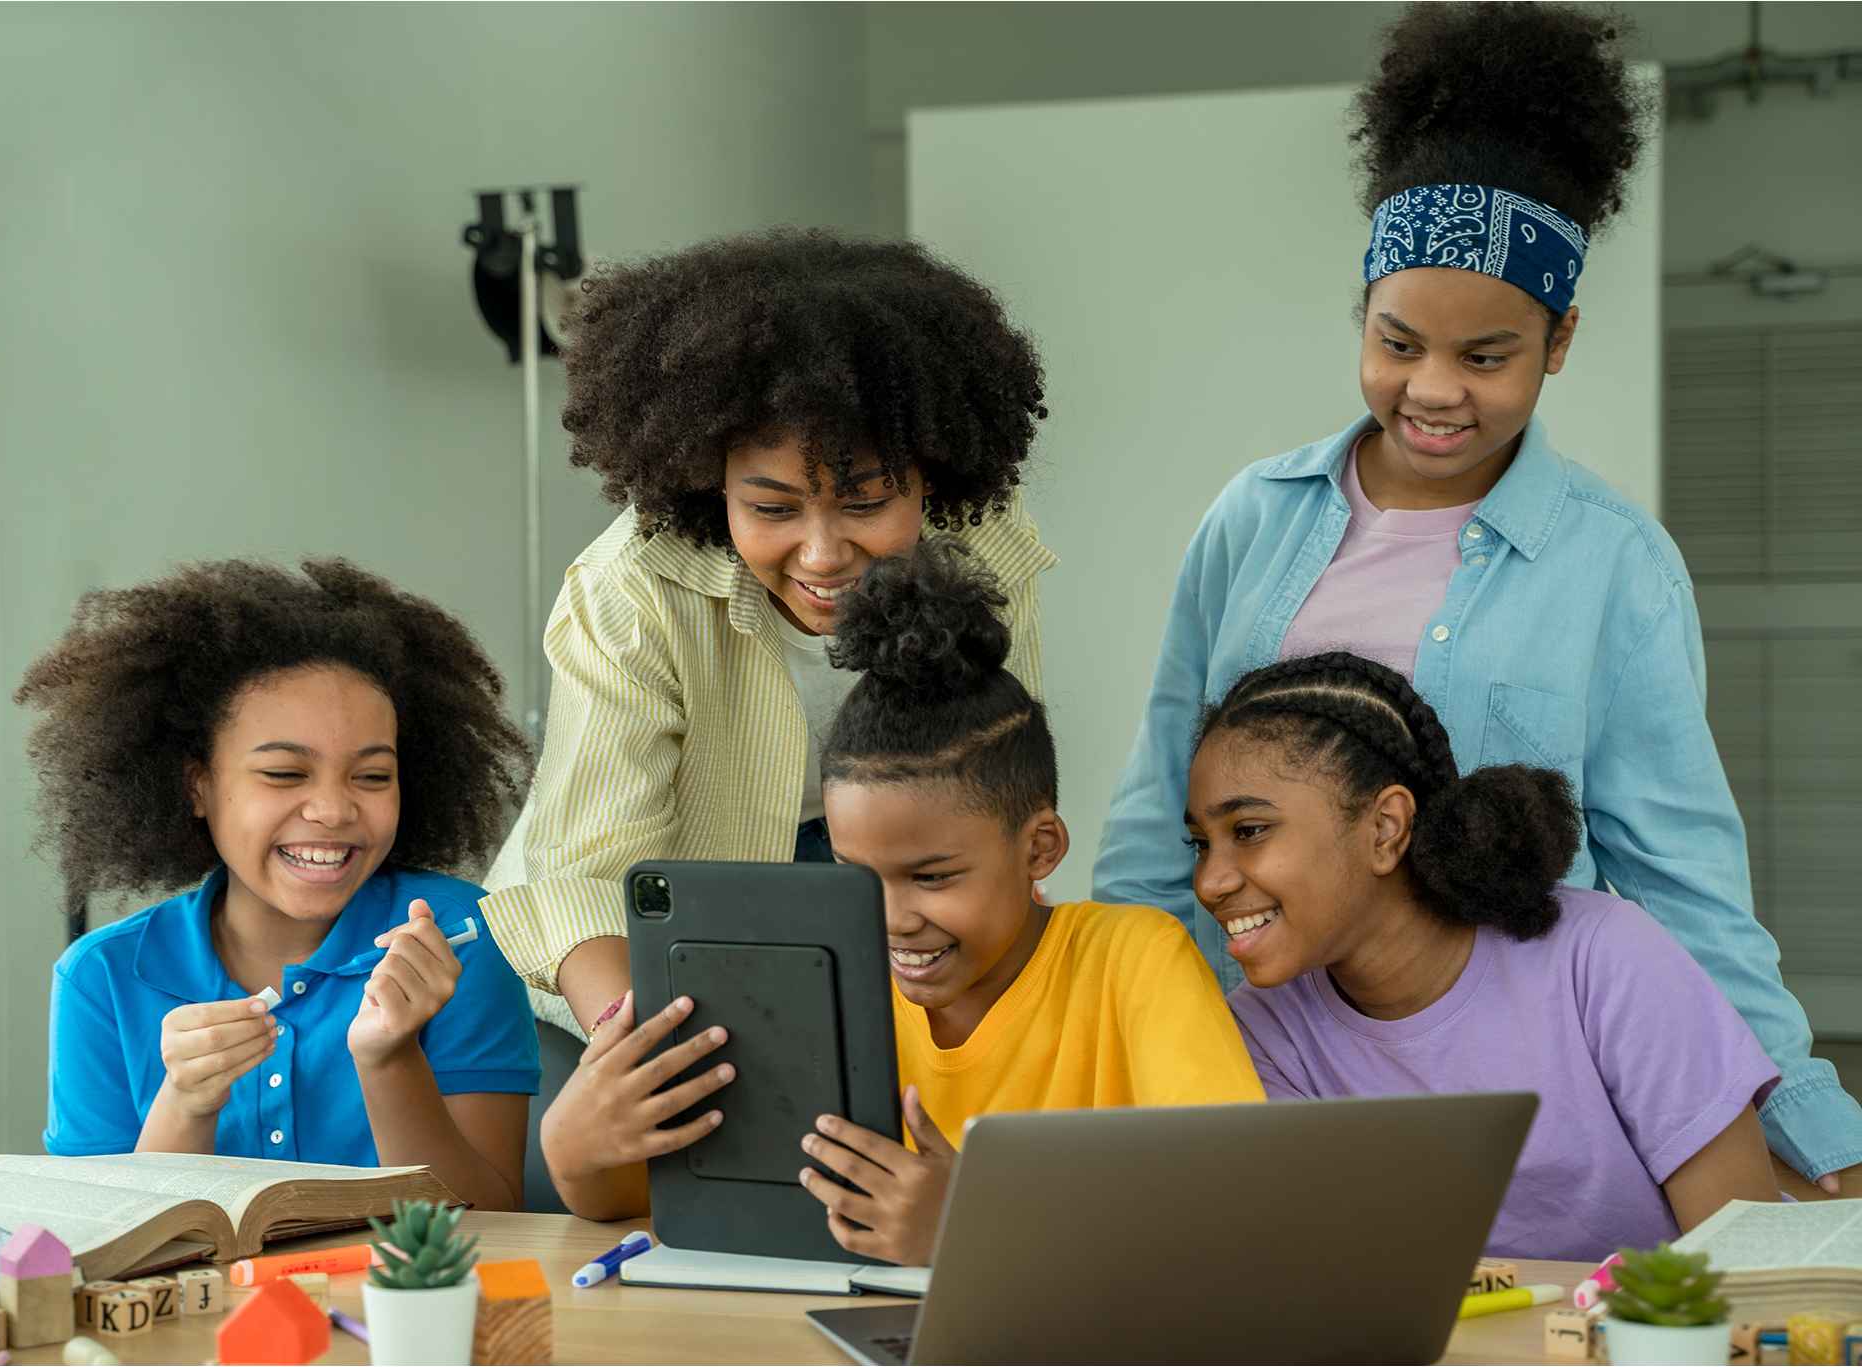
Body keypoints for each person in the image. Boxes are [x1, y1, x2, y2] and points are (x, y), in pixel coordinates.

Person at [1093, 0, 1861, 1188]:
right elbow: (1154, 829)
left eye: (1485, 356)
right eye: (1397, 342)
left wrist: (1815, 1134)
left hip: (1529, 1090)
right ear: (1362, 313)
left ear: (1557, 342)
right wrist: (1133, 1062)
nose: (1432, 390)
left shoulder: (1613, 564)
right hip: (1271, 1059)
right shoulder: (1251, 519)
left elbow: (1682, 888)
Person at [543, 543, 1262, 1263]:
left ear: (1041, 848)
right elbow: (630, 1199)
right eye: (857, 875)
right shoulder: (814, 989)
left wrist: (975, 1229)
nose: (889, 917)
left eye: (934, 875)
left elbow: (1237, 1211)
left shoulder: (1134, 960)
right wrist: (573, 1149)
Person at [479, 229, 1056, 1045]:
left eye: (864, 503)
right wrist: (631, 1041)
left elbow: (997, 793)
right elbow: (591, 878)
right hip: (639, 919)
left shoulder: (980, 539)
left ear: (933, 473)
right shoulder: (635, 589)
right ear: (710, 484)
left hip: (868, 876)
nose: (822, 554)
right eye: (773, 508)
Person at [1192, 652, 1780, 1260]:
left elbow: (1752, 1269)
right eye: (1200, 843)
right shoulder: (1260, 1033)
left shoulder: (1603, 956)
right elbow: (1334, 1282)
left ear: (1386, 828)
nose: (1210, 882)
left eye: (1249, 830)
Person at [22, 558, 539, 1209]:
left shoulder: (456, 937)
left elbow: (491, 1218)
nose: (333, 809)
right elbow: (96, 1243)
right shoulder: (101, 979)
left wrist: (390, 1060)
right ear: (198, 785)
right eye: (285, 774)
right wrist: (184, 1102)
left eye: (373, 776)